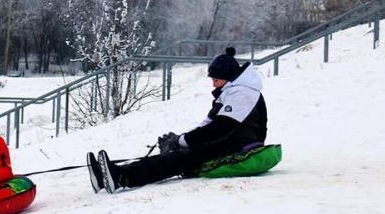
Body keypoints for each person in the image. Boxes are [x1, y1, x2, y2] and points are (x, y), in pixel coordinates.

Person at [89, 47, 268, 192]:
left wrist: (184, 142)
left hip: (240, 144)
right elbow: (208, 123)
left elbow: (221, 127)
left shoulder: (243, 93)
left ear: (228, 77)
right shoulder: (233, 91)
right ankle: (107, 176)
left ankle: (120, 178)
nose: (213, 84)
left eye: (216, 80)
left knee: (183, 158)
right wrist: (181, 139)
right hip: (230, 140)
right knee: (180, 153)